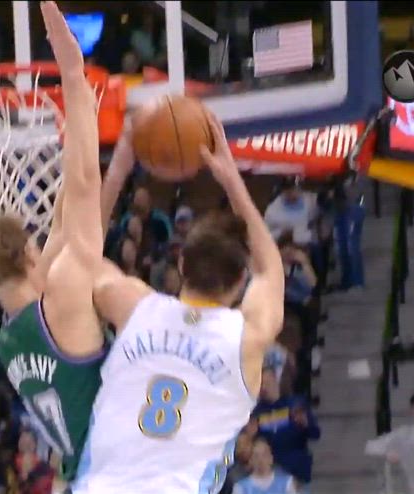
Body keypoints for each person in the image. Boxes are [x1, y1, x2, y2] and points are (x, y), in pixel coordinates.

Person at [74, 111, 285, 493]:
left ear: (182, 264)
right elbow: (271, 271)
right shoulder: (246, 338)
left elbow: (83, 259)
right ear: (241, 280)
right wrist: (231, 179)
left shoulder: (135, 307)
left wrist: (119, 168)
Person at [0, 1, 110, 481]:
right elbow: (85, 184)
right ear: (26, 255)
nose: (43, 243)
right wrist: (73, 76)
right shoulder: (61, 302)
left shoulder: (10, 338)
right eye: (34, 243)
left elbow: (65, 215)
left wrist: (75, 130)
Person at [251, 367, 319, 485]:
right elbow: (253, 444)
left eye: (267, 382)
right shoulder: (256, 413)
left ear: (275, 380)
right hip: (274, 472)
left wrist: (306, 423)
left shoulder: (296, 403)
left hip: (300, 467)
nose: (264, 387)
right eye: (261, 384)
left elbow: (315, 434)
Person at [233, 437, 298, 494]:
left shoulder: (287, 483)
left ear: (271, 458)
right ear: (251, 460)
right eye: (256, 456)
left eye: (264, 455)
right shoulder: (240, 488)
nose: (260, 459)